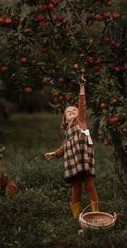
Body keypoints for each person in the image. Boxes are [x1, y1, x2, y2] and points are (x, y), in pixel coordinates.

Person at [44, 74, 99, 218]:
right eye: (68, 112)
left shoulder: (80, 121)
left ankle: (96, 212)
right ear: (65, 118)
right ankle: (76, 215)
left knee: (90, 185)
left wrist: (81, 87)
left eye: (74, 110)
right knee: (76, 188)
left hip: (84, 158)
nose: (72, 112)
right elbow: (65, 147)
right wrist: (54, 153)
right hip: (73, 161)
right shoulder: (67, 131)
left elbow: (82, 104)